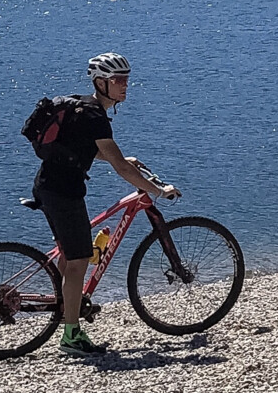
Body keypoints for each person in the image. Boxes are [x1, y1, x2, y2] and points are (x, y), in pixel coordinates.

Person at [31, 52, 179, 356]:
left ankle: (66, 310)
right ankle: (71, 335)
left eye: (126, 79)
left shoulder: (85, 108)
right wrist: (157, 191)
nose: (124, 85)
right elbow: (120, 168)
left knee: (69, 255)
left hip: (50, 185)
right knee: (78, 262)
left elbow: (83, 150)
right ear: (100, 82)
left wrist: (123, 160)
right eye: (117, 80)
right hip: (63, 192)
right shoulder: (95, 117)